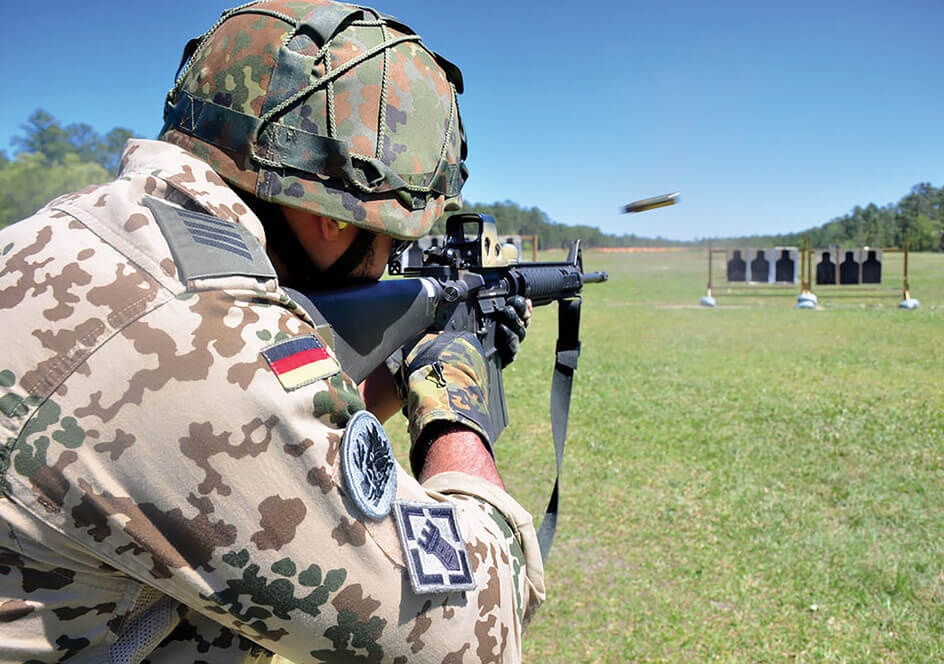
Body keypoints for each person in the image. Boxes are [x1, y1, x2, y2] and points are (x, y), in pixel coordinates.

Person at [0, 1, 544, 662]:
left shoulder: (66, 235)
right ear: (335, 221)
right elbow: (467, 629)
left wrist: (390, 375)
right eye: (395, 240)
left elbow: (264, 441)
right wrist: (456, 411)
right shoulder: (211, 346)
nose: (388, 265)